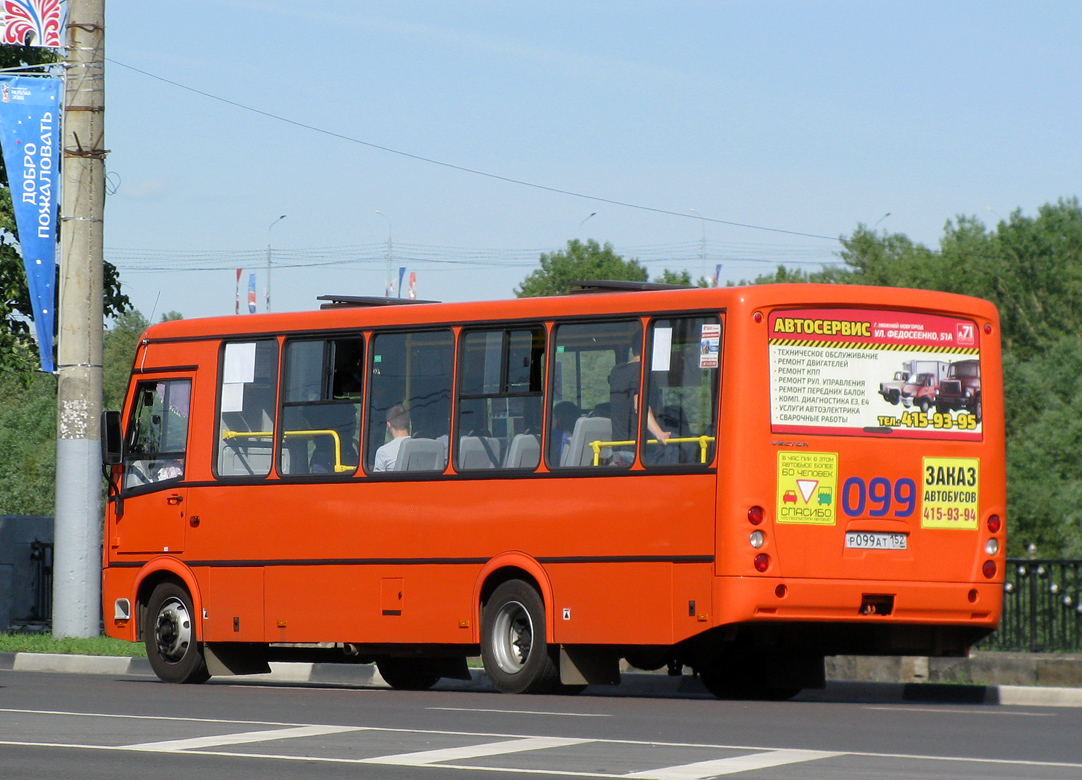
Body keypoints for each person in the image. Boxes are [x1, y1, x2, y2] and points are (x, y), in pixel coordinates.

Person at [608, 339, 670, 466]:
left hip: (619, 449)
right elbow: (640, 405)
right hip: (639, 452)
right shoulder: (642, 371)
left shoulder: (617, 371)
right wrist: (660, 434)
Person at [373, 404, 411, 472]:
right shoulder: (423, 447)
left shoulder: (383, 452)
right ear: (410, 423)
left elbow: (378, 481)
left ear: (388, 425)